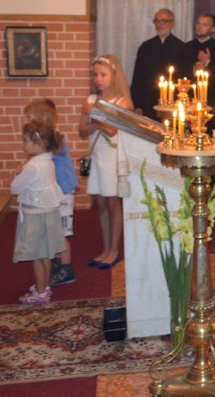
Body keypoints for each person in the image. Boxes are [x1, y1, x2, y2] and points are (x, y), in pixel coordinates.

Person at [79, 54, 133, 268]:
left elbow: (112, 131)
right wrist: (95, 118)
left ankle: (114, 249)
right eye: (96, 75)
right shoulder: (90, 100)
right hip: (97, 156)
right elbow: (82, 131)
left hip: (113, 157)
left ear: (114, 76)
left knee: (112, 203)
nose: (98, 79)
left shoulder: (122, 102)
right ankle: (105, 248)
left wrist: (94, 115)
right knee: (100, 203)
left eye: (103, 74)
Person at [23, 99, 79, 286]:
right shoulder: (51, 139)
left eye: (30, 119)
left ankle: (66, 269)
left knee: (60, 234)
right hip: (55, 192)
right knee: (54, 231)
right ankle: (58, 262)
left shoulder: (55, 140)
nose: (28, 123)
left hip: (62, 192)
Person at [11, 119, 65, 305]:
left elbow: (15, 188)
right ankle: (44, 286)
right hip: (48, 214)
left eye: (25, 141)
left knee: (36, 255)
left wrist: (17, 173)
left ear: (39, 143)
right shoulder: (48, 161)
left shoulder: (33, 166)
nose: (23, 145)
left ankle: (41, 293)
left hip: (35, 217)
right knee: (46, 254)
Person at [130, 8, 185, 119]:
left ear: (172, 23)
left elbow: (184, 78)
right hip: (147, 100)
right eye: (157, 21)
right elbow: (137, 77)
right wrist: (137, 104)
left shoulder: (182, 47)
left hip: (172, 102)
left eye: (163, 21)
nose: (159, 25)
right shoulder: (145, 47)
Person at [184, 13, 215, 109]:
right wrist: (194, 71)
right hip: (190, 97)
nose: (200, 27)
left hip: (212, 98)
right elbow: (180, 72)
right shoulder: (187, 46)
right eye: (198, 23)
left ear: (213, 29)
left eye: (205, 25)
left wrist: (207, 62)